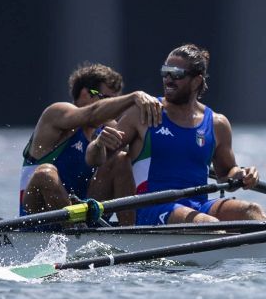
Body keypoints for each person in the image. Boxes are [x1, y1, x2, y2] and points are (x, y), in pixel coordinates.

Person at [87, 44, 266, 225]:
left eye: (176, 74)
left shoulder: (217, 123)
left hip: (199, 205)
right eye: (165, 72)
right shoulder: (143, 113)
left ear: (196, 81)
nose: (168, 79)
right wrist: (98, 144)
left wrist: (243, 174)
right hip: (150, 207)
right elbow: (94, 160)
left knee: (252, 211)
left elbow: (226, 172)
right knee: (207, 223)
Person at [20, 63, 161, 226]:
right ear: (85, 93)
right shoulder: (57, 113)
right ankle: (75, 230)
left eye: (115, 101)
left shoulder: (110, 128)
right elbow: (92, 114)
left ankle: (131, 234)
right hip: (38, 217)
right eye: (107, 99)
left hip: (85, 214)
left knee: (121, 161)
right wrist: (133, 97)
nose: (113, 108)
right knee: (45, 174)